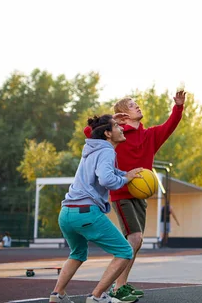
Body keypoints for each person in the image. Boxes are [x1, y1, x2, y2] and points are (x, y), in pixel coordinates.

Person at [84, 90, 186, 301]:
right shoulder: (115, 134)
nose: (137, 106)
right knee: (134, 238)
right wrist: (112, 121)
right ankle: (114, 288)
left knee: (135, 242)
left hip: (141, 195)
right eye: (132, 105)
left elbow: (170, 125)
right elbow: (88, 132)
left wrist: (178, 107)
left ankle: (121, 284)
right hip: (121, 192)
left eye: (136, 103)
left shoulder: (149, 135)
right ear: (123, 113)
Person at [49, 115, 143, 303]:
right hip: (86, 212)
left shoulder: (92, 150)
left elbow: (110, 172)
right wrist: (126, 179)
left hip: (67, 213)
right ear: (108, 133)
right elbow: (107, 179)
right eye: (117, 126)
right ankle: (97, 296)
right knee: (125, 251)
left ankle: (57, 295)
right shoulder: (107, 151)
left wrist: (126, 174)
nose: (122, 128)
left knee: (77, 253)